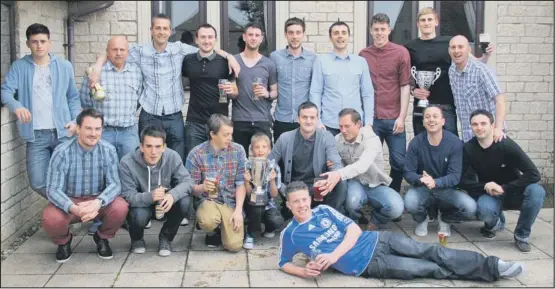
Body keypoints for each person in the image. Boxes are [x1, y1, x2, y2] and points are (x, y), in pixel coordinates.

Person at [278, 181, 524, 282]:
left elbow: (353, 230)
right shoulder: (290, 234)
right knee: (428, 269)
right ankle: (482, 273)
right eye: (295, 202)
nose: (301, 205)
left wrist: (332, 257)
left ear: (309, 199)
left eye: (304, 199)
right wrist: (304, 271)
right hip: (369, 266)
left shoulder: (324, 212)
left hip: (378, 239)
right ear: (288, 205)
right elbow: (283, 263)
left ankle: (493, 265)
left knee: (430, 251)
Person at [89, 14, 240, 161]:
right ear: (151, 30)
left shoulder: (180, 49)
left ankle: (175, 186)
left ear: (170, 31)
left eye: (165, 28)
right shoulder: (139, 51)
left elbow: (207, 49)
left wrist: (229, 56)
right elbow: (113, 50)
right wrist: (96, 68)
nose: (161, 32)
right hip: (149, 114)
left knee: (178, 158)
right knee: (146, 157)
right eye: (158, 28)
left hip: (173, 115)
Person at [1, 23, 81, 198]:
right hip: (36, 134)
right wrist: (17, 106)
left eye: (43, 41)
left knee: (69, 178)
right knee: (37, 181)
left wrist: (76, 121)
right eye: (34, 41)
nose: (39, 45)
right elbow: (5, 91)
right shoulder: (19, 66)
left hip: (63, 132)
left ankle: (66, 217)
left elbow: (73, 97)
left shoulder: (64, 65)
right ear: (28, 44)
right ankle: (71, 208)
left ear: (49, 43)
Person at [42, 108, 128, 263]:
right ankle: (64, 242)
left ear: (102, 129)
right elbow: (53, 189)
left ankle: (102, 237)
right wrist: (74, 208)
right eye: (88, 128)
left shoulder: (108, 150)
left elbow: (115, 184)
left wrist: (97, 203)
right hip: (70, 200)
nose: (93, 133)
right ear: (78, 128)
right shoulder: (62, 152)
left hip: (97, 199)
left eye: (97, 129)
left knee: (120, 207)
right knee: (51, 218)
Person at [460, 109, 545, 252]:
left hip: (515, 190)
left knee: (537, 191)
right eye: (475, 124)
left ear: (493, 125)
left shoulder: (506, 145)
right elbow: (460, 179)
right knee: (484, 210)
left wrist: (505, 187)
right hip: (490, 194)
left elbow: (534, 174)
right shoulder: (469, 148)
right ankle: (496, 222)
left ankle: (522, 236)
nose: (479, 127)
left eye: (483, 123)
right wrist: (485, 185)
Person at [404, 7, 494, 137]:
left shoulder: (449, 43)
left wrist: (486, 55)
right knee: (422, 146)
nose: (426, 23)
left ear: (436, 22)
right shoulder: (410, 47)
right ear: (418, 24)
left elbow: (475, 63)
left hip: (446, 104)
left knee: (450, 145)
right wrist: (413, 91)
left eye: (430, 19)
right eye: (423, 20)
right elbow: (405, 75)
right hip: (422, 105)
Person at [120, 125, 194, 256]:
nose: (153, 152)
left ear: (164, 147)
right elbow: (127, 196)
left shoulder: (172, 156)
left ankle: (166, 237)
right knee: (138, 216)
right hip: (141, 204)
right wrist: (150, 196)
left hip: (165, 202)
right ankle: (137, 239)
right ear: (141, 146)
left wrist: (172, 195)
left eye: (158, 146)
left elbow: (188, 182)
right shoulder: (127, 162)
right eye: (149, 146)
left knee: (184, 202)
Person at [324, 109, 404, 230]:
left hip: (375, 184)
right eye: (340, 126)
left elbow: (362, 165)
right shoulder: (337, 140)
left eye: (347, 126)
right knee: (352, 202)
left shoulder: (371, 139)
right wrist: (331, 163)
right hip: (355, 183)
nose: (343, 130)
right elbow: (334, 161)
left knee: (396, 208)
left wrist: (338, 173)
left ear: (358, 124)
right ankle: (354, 222)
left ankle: (376, 221)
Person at [403, 106, 476, 237]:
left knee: (470, 208)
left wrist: (435, 182)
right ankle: (422, 219)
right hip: (423, 187)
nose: (431, 120)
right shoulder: (416, 143)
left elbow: (455, 176)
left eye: (435, 116)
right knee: (410, 202)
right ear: (424, 122)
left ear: (443, 121)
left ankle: (445, 219)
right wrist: (422, 179)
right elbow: (408, 172)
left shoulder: (454, 143)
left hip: (447, 189)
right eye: (427, 117)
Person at [359, 13, 411, 193]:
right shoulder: (363, 55)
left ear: (389, 30)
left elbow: (405, 86)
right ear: (371, 31)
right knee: (370, 162)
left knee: (399, 161)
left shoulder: (400, 53)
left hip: (394, 118)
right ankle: (376, 197)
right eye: (376, 29)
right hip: (372, 120)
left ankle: (394, 191)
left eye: (383, 29)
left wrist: (402, 117)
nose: (379, 33)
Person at [269, 101, 348, 216]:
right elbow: (270, 163)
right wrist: (281, 186)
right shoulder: (285, 138)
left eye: (312, 117)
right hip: (294, 188)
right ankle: (288, 210)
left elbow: (336, 163)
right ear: (298, 119)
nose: (308, 121)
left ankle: (331, 215)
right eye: (304, 117)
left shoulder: (326, 137)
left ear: (317, 119)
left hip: (318, 187)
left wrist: (330, 177)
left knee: (341, 179)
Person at [185, 114, 247, 252]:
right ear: (212, 134)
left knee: (234, 246)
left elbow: (240, 183)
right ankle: (211, 231)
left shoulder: (238, 150)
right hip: (208, 201)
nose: (230, 138)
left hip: (230, 202)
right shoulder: (196, 154)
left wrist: (238, 211)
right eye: (226, 135)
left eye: (231, 134)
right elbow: (190, 188)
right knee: (208, 221)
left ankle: (226, 228)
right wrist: (202, 187)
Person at [80, 36, 143, 160]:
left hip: (128, 133)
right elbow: (85, 100)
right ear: (107, 52)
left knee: (129, 171)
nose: (118, 53)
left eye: (122, 50)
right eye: (114, 49)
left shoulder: (136, 72)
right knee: (102, 169)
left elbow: (138, 99)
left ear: (127, 52)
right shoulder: (95, 73)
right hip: (103, 132)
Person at [182, 23, 238, 158]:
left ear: (215, 39)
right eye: (203, 37)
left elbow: (235, 92)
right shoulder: (188, 60)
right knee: (193, 161)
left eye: (210, 37)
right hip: (194, 123)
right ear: (196, 40)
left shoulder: (225, 62)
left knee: (222, 162)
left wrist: (231, 90)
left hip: (220, 123)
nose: (206, 41)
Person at [310, 21, 374, 136]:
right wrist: (317, 120)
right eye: (336, 33)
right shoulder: (321, 62)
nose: (340, 36)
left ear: (348, 36)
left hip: (355, 125)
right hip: (329, 125)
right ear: (330, 37)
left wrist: (368, 123)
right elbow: (315, 92)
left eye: (344, 33)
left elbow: (367, 93)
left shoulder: (360, 62)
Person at [229, 22, 278, 155]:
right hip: (240, 119)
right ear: (244, 37)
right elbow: (231, 90)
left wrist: (267, 93)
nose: (253, 38)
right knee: (239, 160)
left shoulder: (269, 64)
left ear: (261, 39)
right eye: (250, 34)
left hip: (262, 119)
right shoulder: (233, 61)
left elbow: (275, 91)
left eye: (257, 35)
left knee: (265, 159)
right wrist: (231, 91)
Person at [448, 35, 507, 143]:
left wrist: (498, 128)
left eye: (461, 47)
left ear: (469, 50)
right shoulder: (452, 72)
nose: (456, 50)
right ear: (449, 51)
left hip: (489, 135)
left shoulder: (481, 71)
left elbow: (500, 100)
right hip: (468, 137)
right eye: (453, 47)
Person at [270, 17, 317, 143]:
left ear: (303, 34)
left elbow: (317, 89)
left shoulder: (313, 59)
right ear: (285, 34)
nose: (294, 36)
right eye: (291, 32)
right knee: (281, 160)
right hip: (282, 119)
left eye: (298, 32)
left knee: (305, 160)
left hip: (305, 120)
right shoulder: (275, 57)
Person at [243, 133, 285, 250]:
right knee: (256, 207)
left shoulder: (274, 167)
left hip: (268, 203)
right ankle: (250, 234)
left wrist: (271, 181)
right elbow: (248, 195)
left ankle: (269, 227)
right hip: (251, 203)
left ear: (269, 149)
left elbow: (274, 194)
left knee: (277, 221)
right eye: (257, 147)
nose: (260, 150)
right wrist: (246, 182)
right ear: (251, 150)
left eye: (264, 147)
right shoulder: (247, 165)